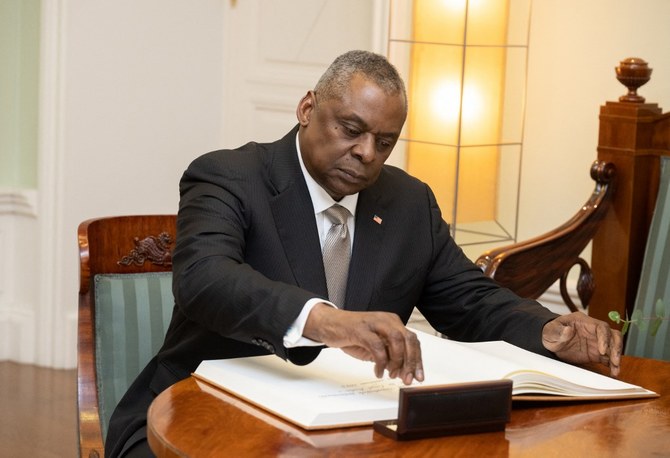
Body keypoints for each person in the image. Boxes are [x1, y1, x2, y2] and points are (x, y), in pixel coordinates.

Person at [105, 50, 622, 457]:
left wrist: (548, 330)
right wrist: (328, 322)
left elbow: (468, 299)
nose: (367, 154)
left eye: (385, 141)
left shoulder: (408, 202)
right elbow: (206, 279)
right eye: (350, 130)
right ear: (307, 108)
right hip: (200, 421)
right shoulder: (230, 176)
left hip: (342, 432)